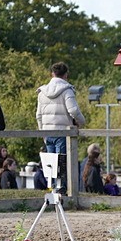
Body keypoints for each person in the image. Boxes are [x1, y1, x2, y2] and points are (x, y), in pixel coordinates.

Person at [36, 62, 86, 194]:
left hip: (48, 132)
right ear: (66, 75)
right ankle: (62, 190)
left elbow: (38, 115)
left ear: (52, 74)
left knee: (50, 164)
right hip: (63, 131)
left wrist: (43, 133)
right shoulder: (67, 90)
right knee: (62, 162)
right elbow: (73, 110)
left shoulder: (42, 92)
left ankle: (52, 189)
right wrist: (82, 122)